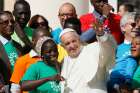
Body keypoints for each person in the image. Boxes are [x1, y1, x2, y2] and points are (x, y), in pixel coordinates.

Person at [60, 21, 117, 93]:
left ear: (79, 39)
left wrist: (101, 35)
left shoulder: (93, 49)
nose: (72, 45)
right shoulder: (65, 61)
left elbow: (109, 49)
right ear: (63, 46)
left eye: (74, 41)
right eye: (67, 43)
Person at [10, 28, 67, 93]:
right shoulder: (35, 67)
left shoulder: (61, 66)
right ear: (42, 54)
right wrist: (47, 79)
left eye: (55, 51)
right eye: (49, 51)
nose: (53, 53)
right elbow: (23, 85)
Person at [108, 12, 137, 93]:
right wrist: (118, 87)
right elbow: (109, 75)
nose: (137, 27)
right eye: (133, 24)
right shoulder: (116, 49)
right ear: (123, 27)